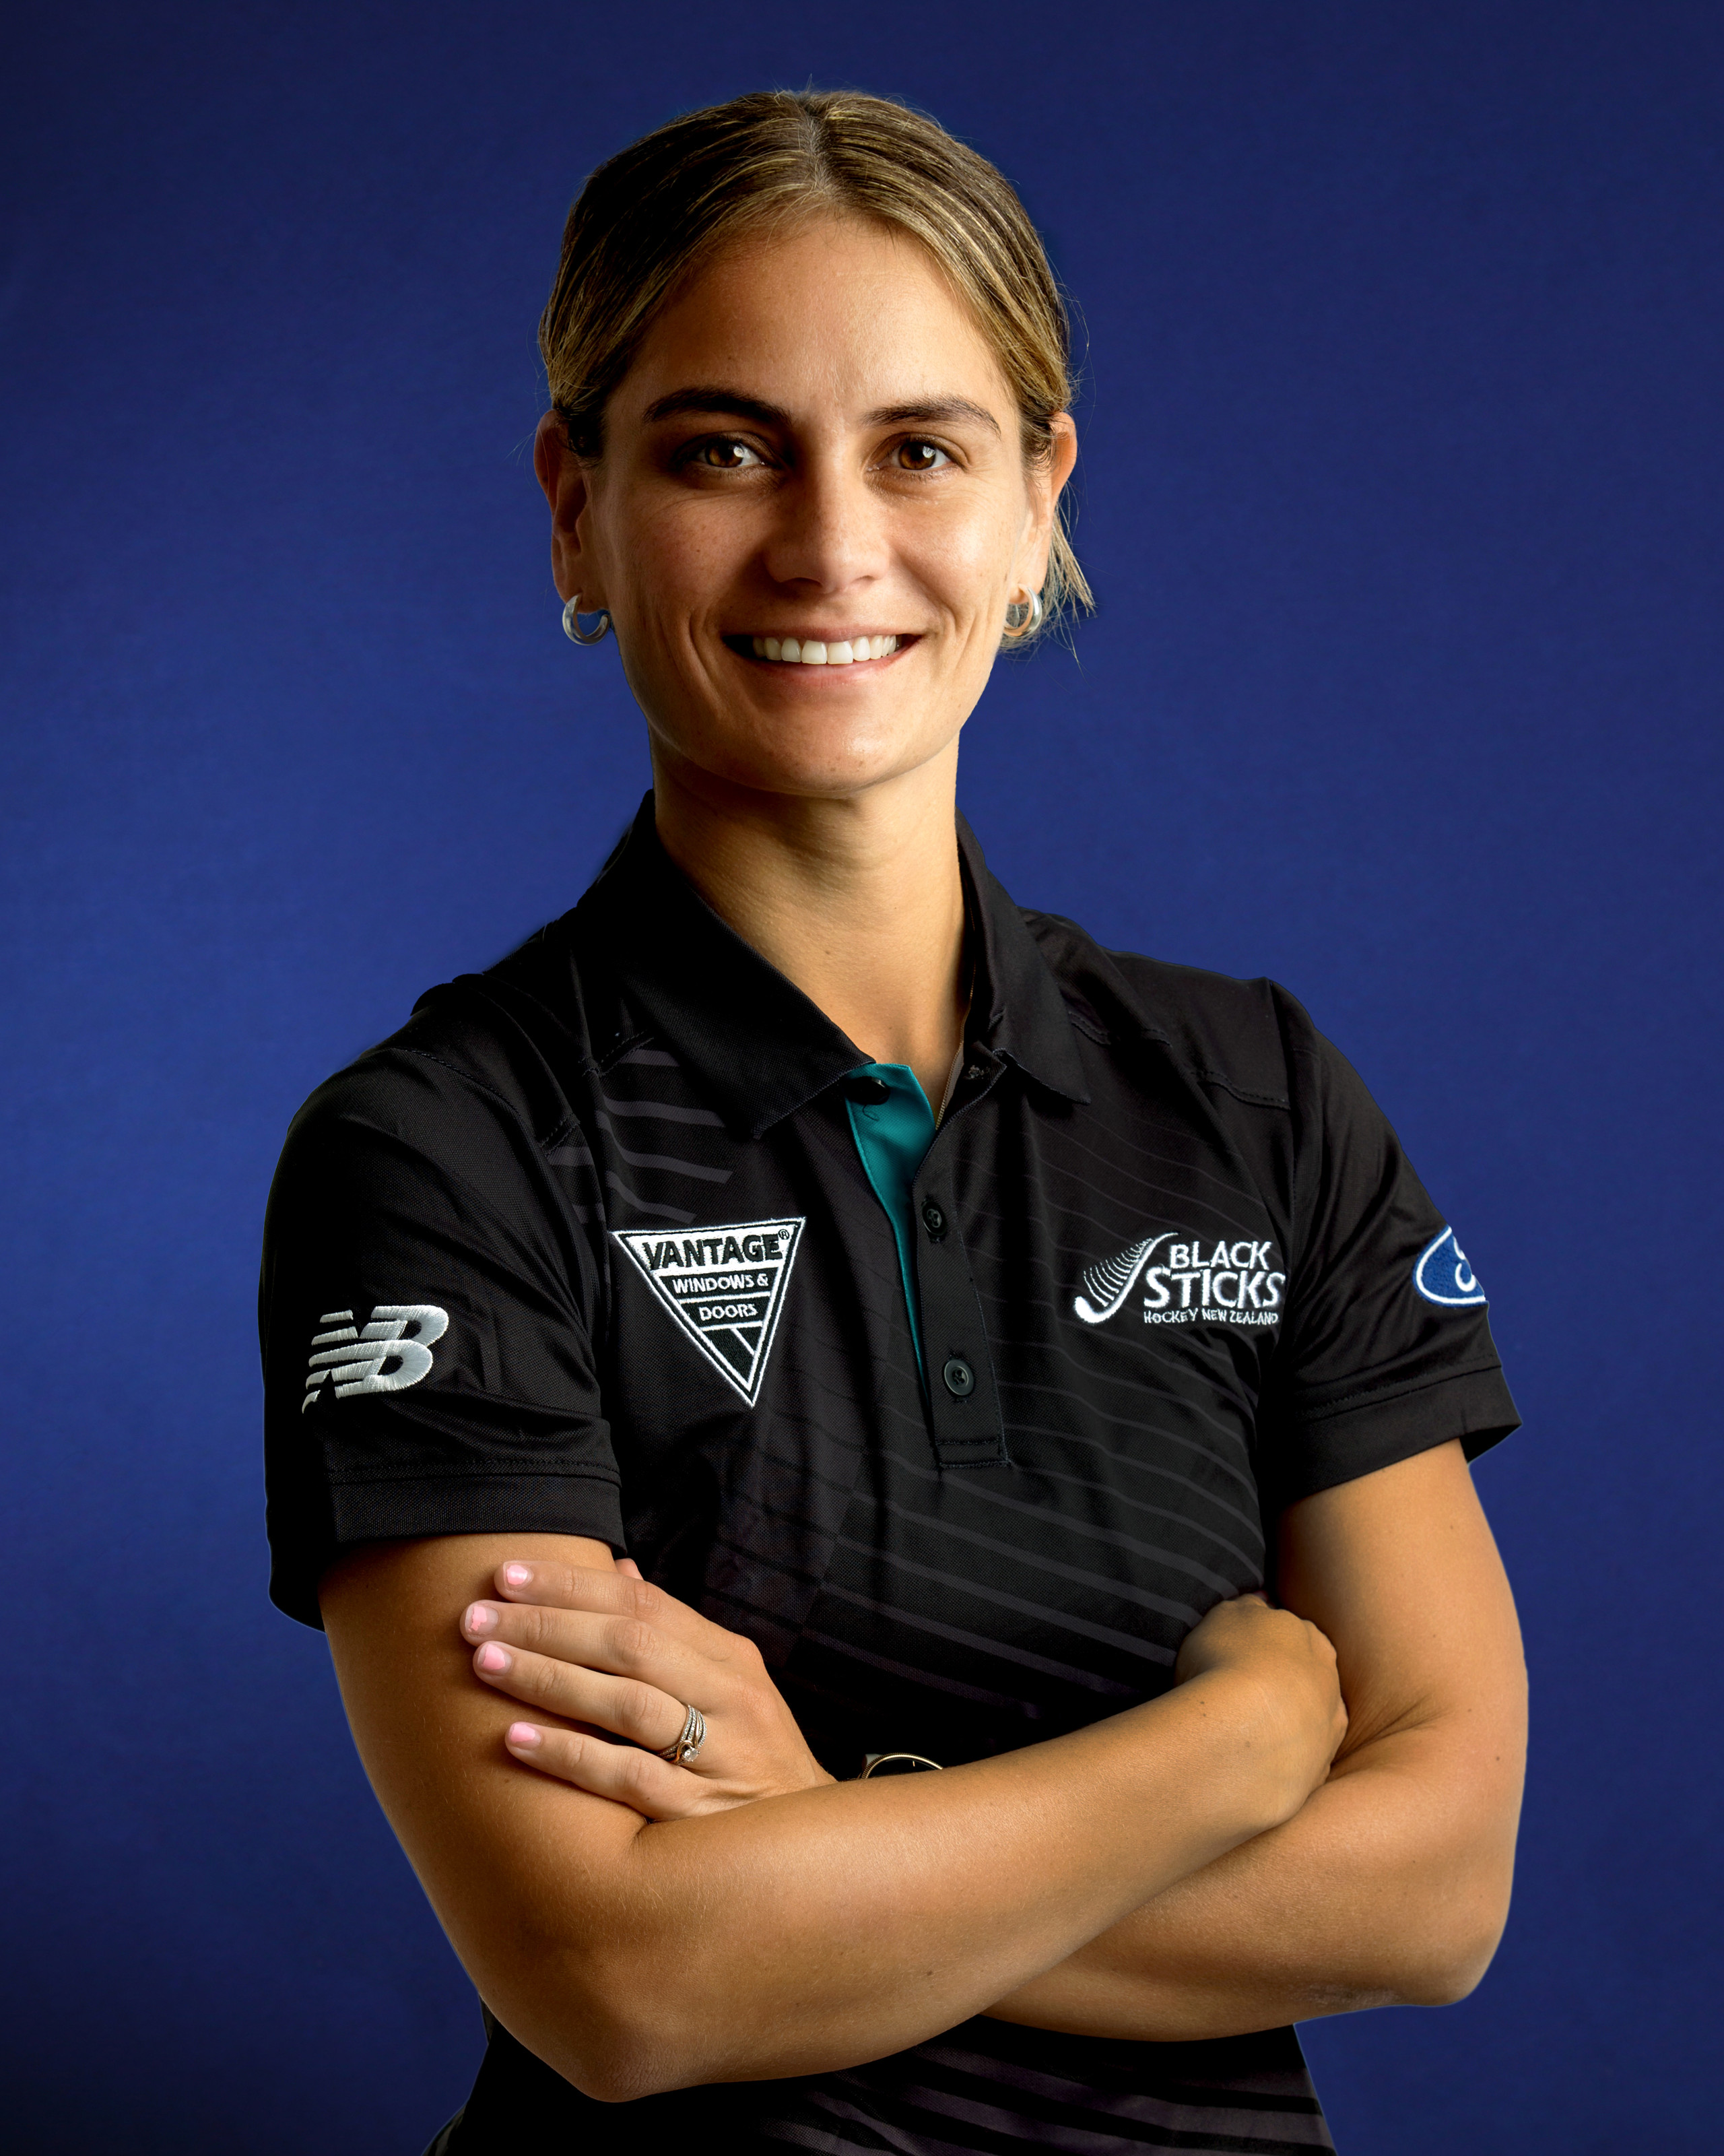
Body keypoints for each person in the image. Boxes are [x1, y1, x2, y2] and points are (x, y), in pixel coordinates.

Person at [259, 90, 1527, 2154]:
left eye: (921, 449)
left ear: (1037, 504)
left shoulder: (1260, 1095)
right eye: (723, 448)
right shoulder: (446, 1152)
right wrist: (1235, 1743)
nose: (831, 546)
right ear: (576, 507)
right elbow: (623, 1975)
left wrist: (824, 1834)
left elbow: (1437, 1885)